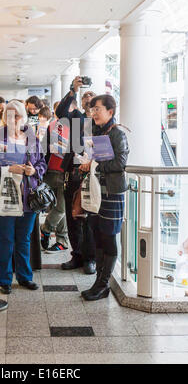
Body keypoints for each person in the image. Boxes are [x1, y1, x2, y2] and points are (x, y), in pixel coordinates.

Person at [0, 100, 47, 294]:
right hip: (5, 196)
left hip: (28, 198)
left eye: (17, 115)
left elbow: (43, 164)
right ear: (4, 118)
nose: (13, 119)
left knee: (24, 239)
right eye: (9, 115)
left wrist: (34, 170)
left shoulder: (32, 139)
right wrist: (8, 168)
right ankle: (4, 279)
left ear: (23, 117)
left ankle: (25, 276)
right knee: (4, 239)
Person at [80, 94, 129, 301]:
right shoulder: (96, 132)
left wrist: (95, 165)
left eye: (97, 109)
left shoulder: (118, 133)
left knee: (108, 238)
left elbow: (120, 163)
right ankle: (99, 284)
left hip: (112, 193)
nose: (94, 113)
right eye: (92, 110)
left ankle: (103, 283)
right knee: (98, 236)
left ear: (110, 111)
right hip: (97, 192)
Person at [55, 76, 97, 274]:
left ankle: (90, 258)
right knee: (73, 216)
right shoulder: (75, 117)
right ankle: (77, 254)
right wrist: (74, 89)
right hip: (73, 172)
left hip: (93, 176)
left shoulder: (100, 123)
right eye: (85, 95)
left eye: (92, 95)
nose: (88, 97)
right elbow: (60, 111)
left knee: (88, 218)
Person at [40, 103, 69, 253]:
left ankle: (46, 228)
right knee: (54, 207)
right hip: (51, 171)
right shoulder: (52, 126)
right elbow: (43, 148)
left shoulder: (76, 127)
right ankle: (62, 239)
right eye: (58, 112)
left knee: (61, 208)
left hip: (66, 174)